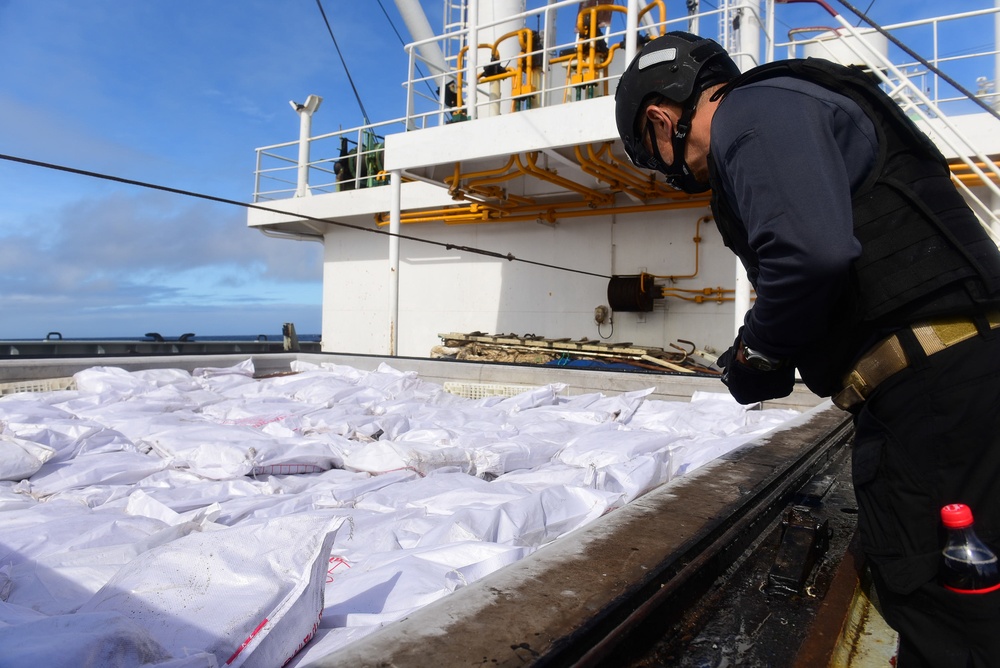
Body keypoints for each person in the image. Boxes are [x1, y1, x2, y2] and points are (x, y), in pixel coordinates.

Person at [614, 31, 1000, 667]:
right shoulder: (797, 102)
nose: (666, 171)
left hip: (934, 404)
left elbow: (809, 255)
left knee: (946, 615)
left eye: (652, 155)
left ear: (662, 117)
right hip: (957, 383)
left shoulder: (752, 112)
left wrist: (757, 354)